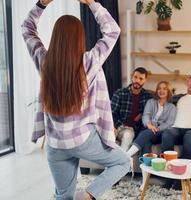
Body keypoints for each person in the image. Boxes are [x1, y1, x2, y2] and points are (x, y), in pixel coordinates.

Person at [22, 0, 130, 199]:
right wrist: (92, 3)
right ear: (80, 39)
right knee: (123, 162)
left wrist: (41, 4)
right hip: (83, 140)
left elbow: (27, 29)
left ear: (55, 38)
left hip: (55, 144)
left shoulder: (44, 62)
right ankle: (88, 195)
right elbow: (112, 30)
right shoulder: (89, 62)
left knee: (63, 195)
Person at [127, 81, 176, 156]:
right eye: (159, 88)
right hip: (148, 129)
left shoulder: (172, 107)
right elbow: (146, 115)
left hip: (161, 133)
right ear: (156, 90)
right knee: (146, 142)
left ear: (168, 91)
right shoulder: (150, 102)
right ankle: (144, 166)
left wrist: (157, 128)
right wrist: (149, 124)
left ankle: (127, 155)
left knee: (146, 133)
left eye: (164, 89)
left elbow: (169, 123)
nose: (161, 91)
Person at [111, 67, 153, 151]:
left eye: (141, 78)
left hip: (135, 130)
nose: (137, 80)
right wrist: (116, 126)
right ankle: (121, 161)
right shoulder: (120, 93)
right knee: (124, 135)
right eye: (135, 77)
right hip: (119, 127)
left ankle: (122, 161)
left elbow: (150, 115)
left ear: (145, 80)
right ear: (132, 77)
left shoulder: (147, 97)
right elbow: (112, 113)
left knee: (130, 134)